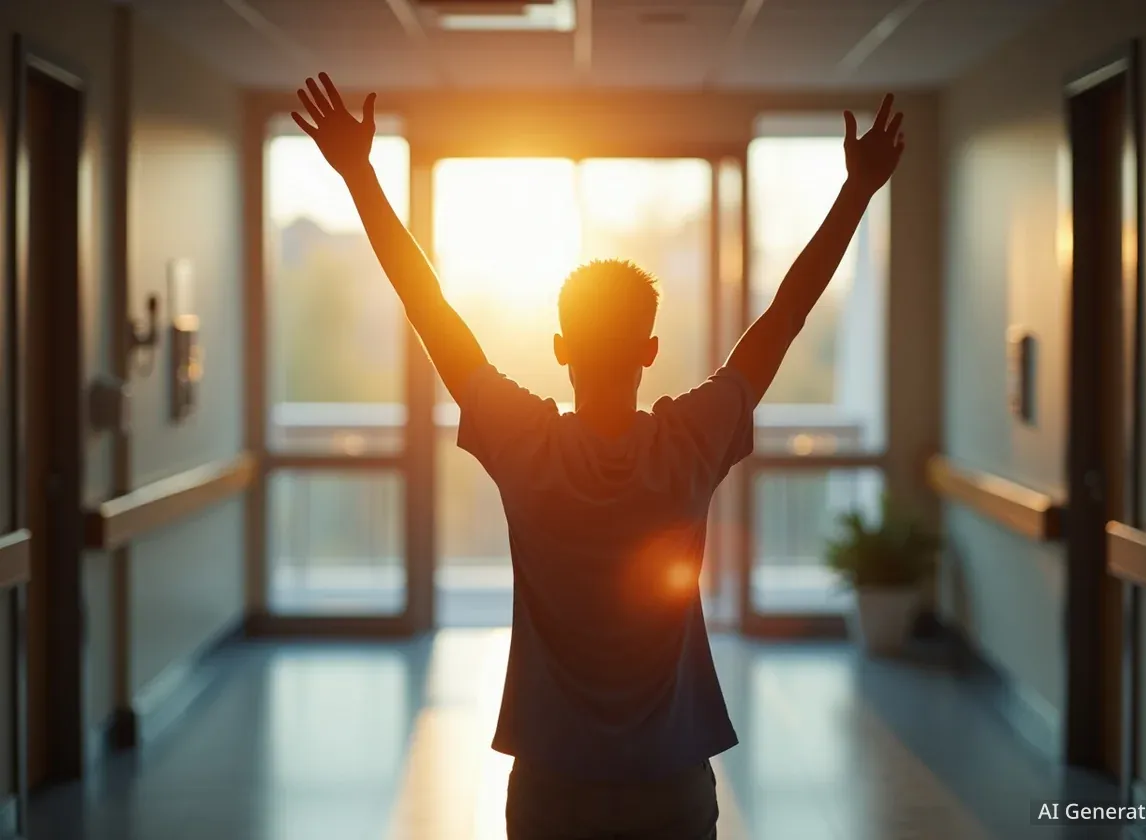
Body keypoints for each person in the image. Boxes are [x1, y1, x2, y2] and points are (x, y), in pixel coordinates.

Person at [291, 74, 904, 840]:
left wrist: (359, 175)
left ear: (560, 348)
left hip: (552, 783)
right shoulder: (690, 440)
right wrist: (856, 192)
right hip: (670, 783)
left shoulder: (525, 443)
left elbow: (429, 306)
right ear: (650, 351)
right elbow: (787, 313)